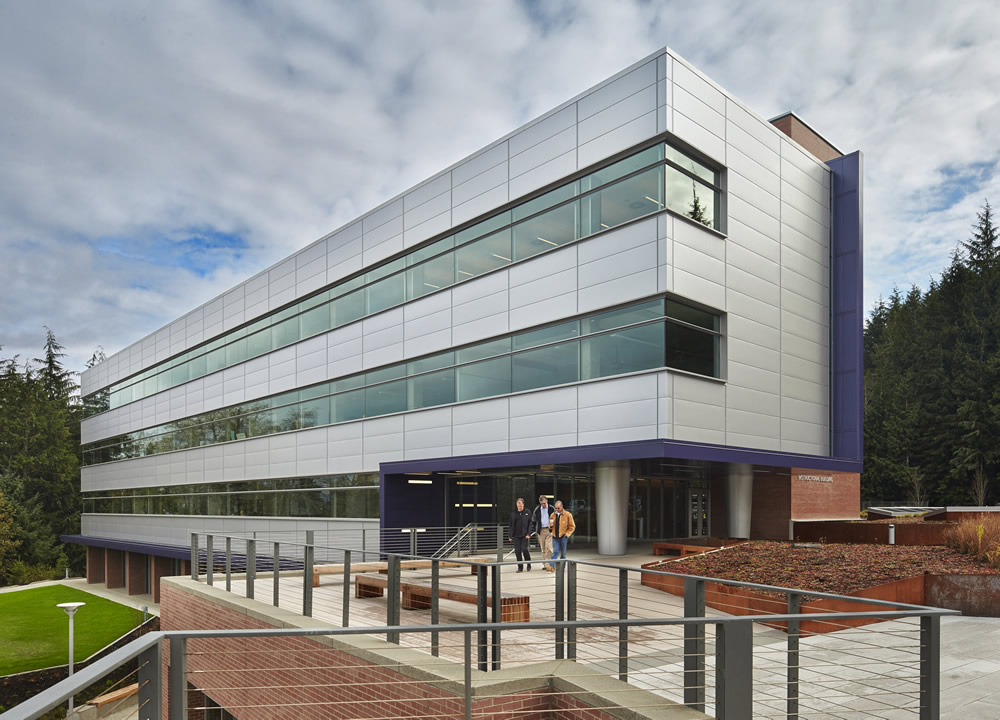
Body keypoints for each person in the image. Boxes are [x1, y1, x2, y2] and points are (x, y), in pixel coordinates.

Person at [547, 500, 575, 572]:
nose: (557, 510)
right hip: (555, 536)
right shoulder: (552, 515)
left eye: (558, 508)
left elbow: (572, 527)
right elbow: (550, 525)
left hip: (563, 537)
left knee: (563, 554)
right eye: (556, 508)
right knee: (555, 552)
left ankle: (562, 567)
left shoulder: (568, 515)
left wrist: (567, 534)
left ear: (562, 507)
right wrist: (550, 526)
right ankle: (552, 566)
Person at [507, 497, 533, 572]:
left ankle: (528, 563)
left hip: (525, 535)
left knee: (524, 549)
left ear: (523, 505)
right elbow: (511, 525)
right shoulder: (513, 513)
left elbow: (530, 524)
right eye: (518, 506)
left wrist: (529, 533)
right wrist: (510, 535)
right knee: (517, 551)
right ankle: (520, 567)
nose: (520, 507)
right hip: (516, 535)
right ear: (516, 505)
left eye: (521, 506)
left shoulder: (527, 512)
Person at [531, 495, 553, 566]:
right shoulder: (537, 510)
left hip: (549, 530)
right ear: (540, 503)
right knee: (543, 549)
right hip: (541, 530)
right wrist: (535, 528)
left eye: (544, 503)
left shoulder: (551, 508)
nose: (543, 505)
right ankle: (545, 564)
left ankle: (548, 562)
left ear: (547, 501)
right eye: (542, 503)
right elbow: (533, 520)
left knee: (549, 548)